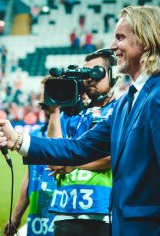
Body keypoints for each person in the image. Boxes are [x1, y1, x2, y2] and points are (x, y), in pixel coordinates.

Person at [0, 5, 160, 236]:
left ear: (146, 42)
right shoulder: (130, 100)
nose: (112, 46)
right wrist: (17, 139)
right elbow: (81, 147)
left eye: (120, 37)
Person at [47, 49, 118, 236]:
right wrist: (54, 110)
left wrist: (73, 164)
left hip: (104, 211)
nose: (89, 78)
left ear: (113, 75)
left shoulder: (121, 109)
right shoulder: (71, 114)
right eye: (85, 73)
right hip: (65, 210)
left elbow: (117, 155)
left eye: (96, 72)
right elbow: (54, 153)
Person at [4, 76, 57, 236]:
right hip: (38, 220)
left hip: (65, 219)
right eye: (41, 96)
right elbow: (30, 175)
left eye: (45, 96)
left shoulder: (76, 132)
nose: (42, 102)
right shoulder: (35, 134)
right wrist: (16, 216)